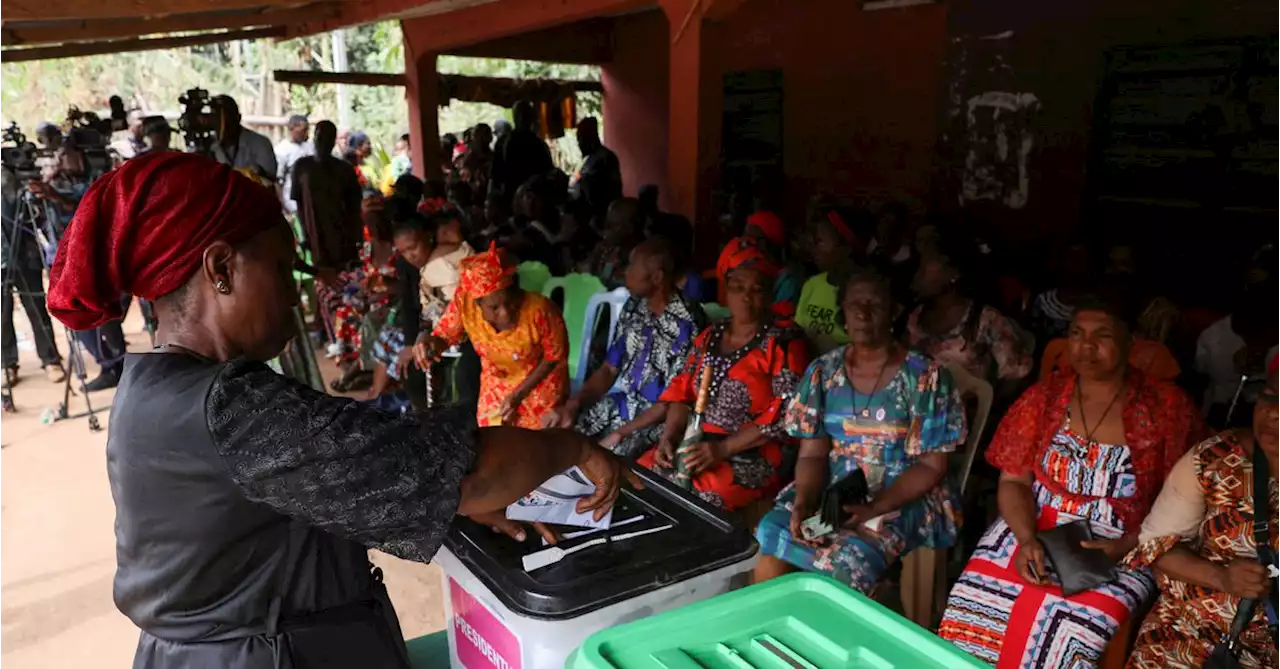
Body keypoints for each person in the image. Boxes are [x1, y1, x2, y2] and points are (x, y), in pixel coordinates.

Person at [43, 151, 627, 669]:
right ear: (221, 270)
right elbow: (463, 468)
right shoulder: (232, 408)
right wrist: (571, 448)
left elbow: (287, 501)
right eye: (280, 266)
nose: (294, 293)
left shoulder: (151, 390)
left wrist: (441, 503)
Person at [937, 297, 1206, 667]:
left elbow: (1184, 504)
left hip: (1123, 541)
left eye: (1103, 335)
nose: (1086, 346)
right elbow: (1014, 480)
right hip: (1030, 521)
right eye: (1077, 334)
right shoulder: (1044, 397)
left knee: (1070, 635)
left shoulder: (1168, 409)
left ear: (1131, 341)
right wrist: (1027, 538)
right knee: (970, 611)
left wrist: (1127, 545)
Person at [753, 264, 966, 590]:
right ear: (843, 312)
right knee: (771, 532)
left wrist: (874, 508)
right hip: (836, 488)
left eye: (875, 305)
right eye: (855, 305)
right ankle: (772, 629)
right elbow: (813, 454)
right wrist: (804, 502)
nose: (864, 314)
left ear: (894, 311)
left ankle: (829, 636)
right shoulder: (824, 371)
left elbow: (930, 465)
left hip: (903, 494)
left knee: (849, 560)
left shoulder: (925, 377)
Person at [1120, 358, 1280, 668]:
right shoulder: (1215, 458)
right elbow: (1155, 546)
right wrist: (1221, 577)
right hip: (1186, 632)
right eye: (1270, 396)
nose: (1273, 412)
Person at [634, 244, 809, 511]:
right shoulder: (710, 336)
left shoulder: (785, 342)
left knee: (701, 496)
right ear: (726, 292)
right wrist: (669, 437)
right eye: (738, 287)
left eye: (756, 289)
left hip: (753, 450)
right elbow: (682, 393)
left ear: (770, 294)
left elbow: (786, 414)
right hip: (697, 442)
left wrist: (722, 450)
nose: (746, 297)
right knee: (643, 474)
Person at [546, 237, 706, 456]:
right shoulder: (634, 306)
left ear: (657, 277)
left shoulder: (687, 324)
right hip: (623, 405)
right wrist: (573, 404)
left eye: (632, 266)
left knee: (602, 459)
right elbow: (609, 369)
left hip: (655, 421)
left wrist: (621, 432)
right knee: (563, 439)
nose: (625, 272)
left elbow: (672, 401)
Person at [415, 243, 569, 428]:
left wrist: (518, 395)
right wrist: (428, 342)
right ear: (477, 305)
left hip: (539, 385)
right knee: (491, 442)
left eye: (510, 302)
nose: (505, 313)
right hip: (496, 384)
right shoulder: (465, 304)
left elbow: (554, 357)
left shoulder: (541, 311)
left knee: (533, 448)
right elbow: (445, 336)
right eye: (494, 308)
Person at [905, 226, 1032, 388]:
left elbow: (1016, 378)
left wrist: (983, 404)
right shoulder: (915, 318)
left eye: (926, 264)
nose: (918, 272)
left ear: (954, 272)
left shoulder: (985, 321)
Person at [291, 121, 364, 284]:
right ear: (314, 138)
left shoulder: (344, 169)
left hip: (342, 235)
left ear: (333, 142)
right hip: (315, 233)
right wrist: (303, 234)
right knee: (322, 277)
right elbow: (299, 205)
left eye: (328, 138)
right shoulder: (302, 167)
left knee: (345, 279)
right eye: (320, 136)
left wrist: (358, 237)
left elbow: (355, 208)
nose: (323, 141)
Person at [794, 207, 866, 354]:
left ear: (846, 246)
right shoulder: (811, 285)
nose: (814, 248)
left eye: (820, 241)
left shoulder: (864, 293)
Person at [715, 210, 801, 314]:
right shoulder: (734, 252)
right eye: (745, 236)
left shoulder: (787, 281)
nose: (745, 243)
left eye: (753, 239)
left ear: (770, 244)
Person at [490, 101, 553, 207]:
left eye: (525, 115)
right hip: (514, 198)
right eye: (520, 115)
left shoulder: (538, 144)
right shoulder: (505, 142)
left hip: (529, 200)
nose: (522, 118)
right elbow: (494, 175)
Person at [209, 96, 277, 182]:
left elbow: (270, 183)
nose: (224, 127)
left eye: (228, 122)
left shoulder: (260, 144)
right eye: (219, 122)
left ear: (238, 118)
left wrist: (257, 173)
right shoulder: (209, 145)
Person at [580, 197, 642, 287]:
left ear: (631, 227)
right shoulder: (605, 251)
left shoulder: (643, 260)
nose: (608, 228)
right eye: (608, 223)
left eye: (615, 224)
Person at [572, 117, 622, 217]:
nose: (579, 144)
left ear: (590, 138)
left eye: (580, 139)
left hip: (602, 214)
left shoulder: (605, 158)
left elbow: (613, 190)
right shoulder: (588, 160)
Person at [275, 114, 313, 215]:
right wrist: (282, 203)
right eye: (303, 130)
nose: (306, 133)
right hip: (292, 202)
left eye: (307, 130)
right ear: (292, 128)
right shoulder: (282, 150)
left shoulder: (310, 147)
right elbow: (278, 181)